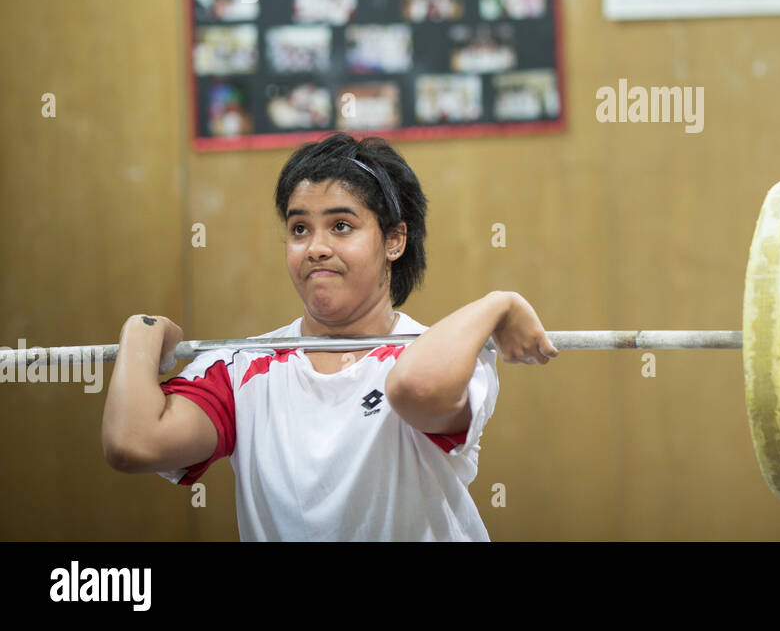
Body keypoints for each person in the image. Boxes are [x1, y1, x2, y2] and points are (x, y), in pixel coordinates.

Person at [100, 132, 557, 541]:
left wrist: (500, 303)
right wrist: (141, 331)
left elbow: (417, 387)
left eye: (341, 226)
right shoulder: (241, 368)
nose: (316, 247)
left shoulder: (449, 356)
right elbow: (133, 442)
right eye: (300, 229)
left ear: (394, 241)